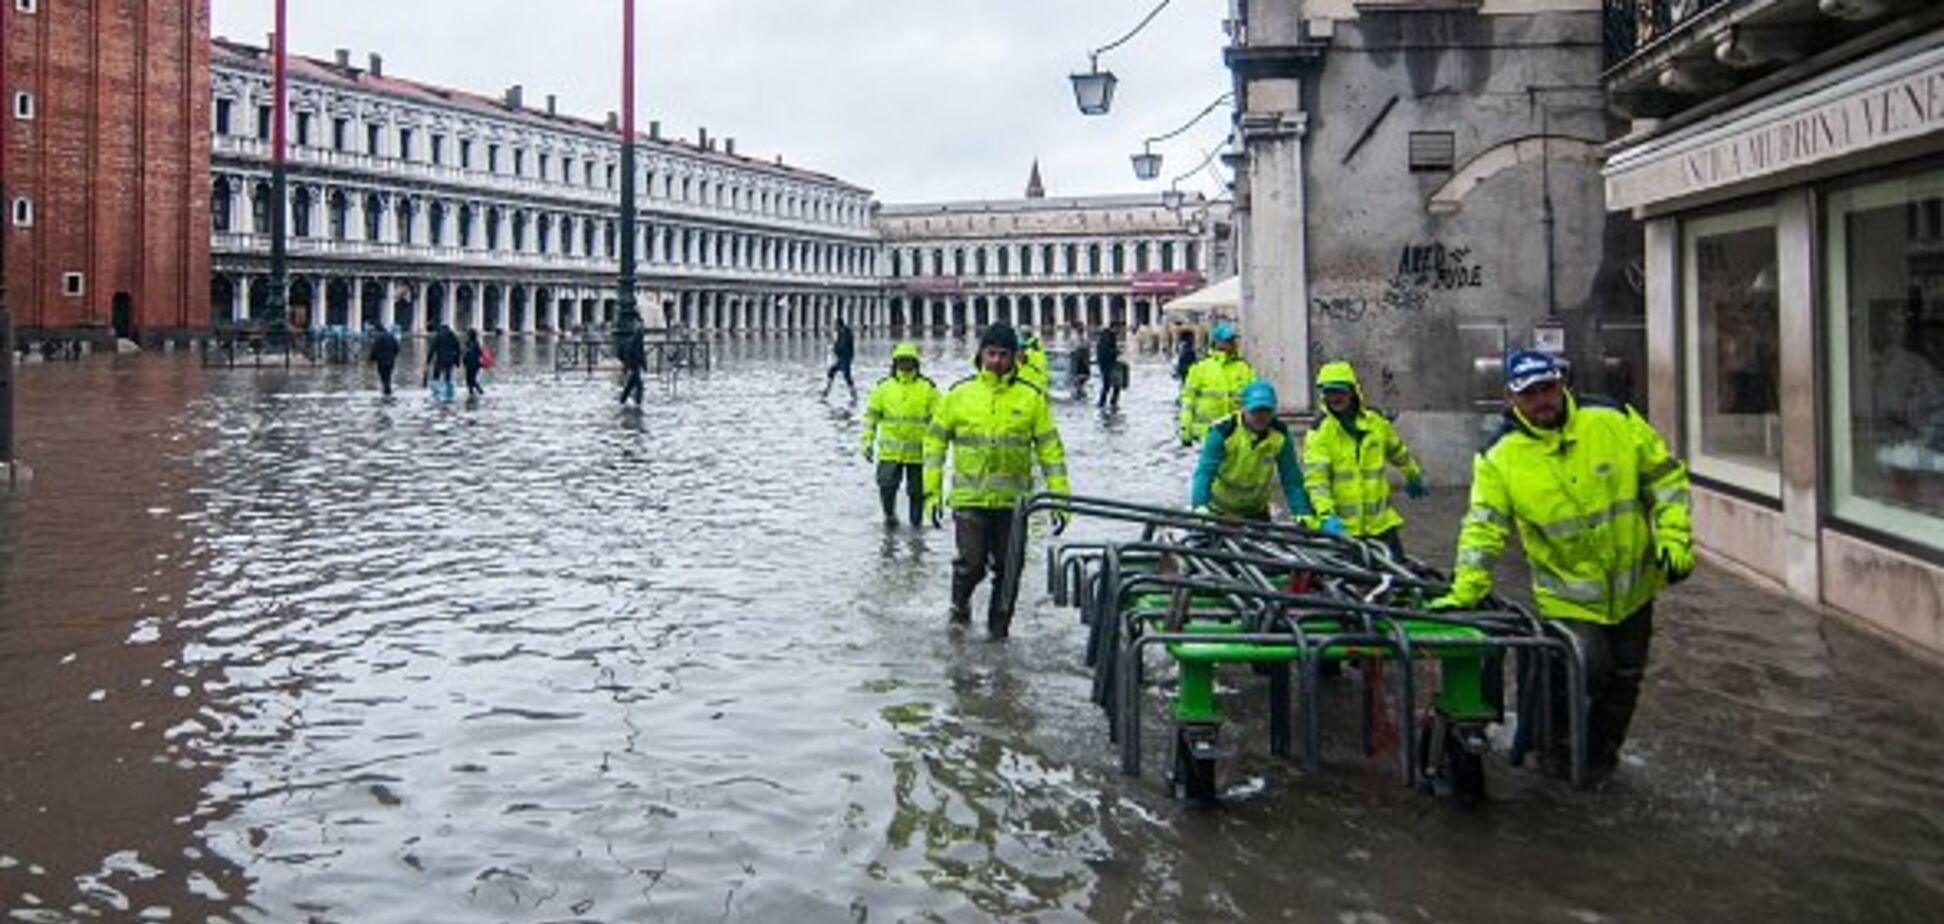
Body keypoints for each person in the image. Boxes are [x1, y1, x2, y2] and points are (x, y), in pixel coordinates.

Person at [1428, 350, 1694, 779]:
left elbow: (1665, 478)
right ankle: (1552, 760)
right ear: (1511, 399)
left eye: (1547, 388)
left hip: (1635, 589)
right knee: (1577, 673)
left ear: (1562, 384)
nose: (1542, 400)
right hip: (1568, 596)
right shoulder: (1500, 456)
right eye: (1529, 394)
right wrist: (1468, 586)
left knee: (1625, 680)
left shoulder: (1613, 420)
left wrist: (1674, 536)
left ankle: (1600, 764)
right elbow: (1484, 526)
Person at [924, 323, 1071, 639]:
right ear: (980, 354)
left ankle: (998, 633)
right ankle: (959, 606)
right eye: (991, 353)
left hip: (1013, 505)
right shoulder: (959, 395)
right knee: (971, 564)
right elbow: (934, 444)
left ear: (1016, 358)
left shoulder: (1031, 399)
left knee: (1009, 571)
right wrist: (930, 493)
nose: (997, 361)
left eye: (1004, 354)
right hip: (969, 500)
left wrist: (1060, 499)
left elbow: (1050, 452)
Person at [1302, 361, 1428, 557]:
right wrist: (1326, 515)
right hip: (1344, 530)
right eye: (1329, 393)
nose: (1335, 398)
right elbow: (1317, 480)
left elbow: (1397, 452)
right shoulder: (1319, 432)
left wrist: (1413, 474)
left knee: (1397, 578)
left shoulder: (1376, 423)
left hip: (1381, 525)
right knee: (1352, 585)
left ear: (1352, 391)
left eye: (1340, 391)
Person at [1190, 381, 1312, 522]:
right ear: (1243, 408)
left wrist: (1301, 512)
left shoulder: (1280, 435)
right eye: (1255, 411)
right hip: (1218, 510)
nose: (1261, 417)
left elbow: (1291, 478)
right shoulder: (1223, 431)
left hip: (1256, 512)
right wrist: (1200, 506)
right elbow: (1205, 472)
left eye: (1266, 411)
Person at [860, 343, 940, 527]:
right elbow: (871, 417)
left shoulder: (928, 389)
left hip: (919, 454)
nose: (905, 364)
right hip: (890, 453)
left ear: (916, 363)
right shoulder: (883, 388)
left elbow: (939, 421)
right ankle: (889, 517)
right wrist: (867, 442)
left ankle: (916, 528)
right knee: (886, 487)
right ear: (894, 363)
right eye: (901, 361)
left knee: (917, 493)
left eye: (909, 361)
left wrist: (937, 448)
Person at [1178, 323, 1256, 445]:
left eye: (1233, 340)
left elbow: (1254, 399)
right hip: (1206, 435)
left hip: (1237, 435)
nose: (1232, 344)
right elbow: (1188, 401)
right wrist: (1185, 429)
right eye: (1228, 341)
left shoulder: (1244, 369)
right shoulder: (1200, 368)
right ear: (1217, 343)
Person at [424, 323, 462, 400]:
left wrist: (428, 362)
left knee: (436, 376)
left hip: (440, 359)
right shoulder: (452, 336)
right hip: (450, 360)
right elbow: (458, 349)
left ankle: (436, 393)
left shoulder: (438, 336)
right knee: (448, 377)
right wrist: (457, 362)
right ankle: (449, 394)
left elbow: (432, 349)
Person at [823, 318, 856, 397]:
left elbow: (842, 345)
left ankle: (853, 392)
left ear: (838, 325)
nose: (834, 326)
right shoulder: (841, 332)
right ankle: (827, 390)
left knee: (846, 375)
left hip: (846, 358)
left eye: (835, 324)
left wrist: (835, 348)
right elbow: (837, 343)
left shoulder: (846, 333)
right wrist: (829, 337)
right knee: (832, 371)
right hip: (841, 358)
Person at [618, 324, 648, 406]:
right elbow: (640, 354)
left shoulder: (635, 340)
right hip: (634, 365)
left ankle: (623, 400)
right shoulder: (636, 341)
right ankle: (637, 402)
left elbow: (641, 354)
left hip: (634, 365)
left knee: (631, 384)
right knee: (638, 385)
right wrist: (644, 365)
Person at [1096, 324, 1124, 409]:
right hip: (1108, 365)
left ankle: (1103, 402)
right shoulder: (1109, 336)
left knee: (1107, 385)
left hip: (1104, 364)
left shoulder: (1105, 336)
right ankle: (1111, 402)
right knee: (1114, 385)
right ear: (1115, 328)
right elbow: (1107, 351)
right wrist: (1116, 352)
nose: (1119, 332)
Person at [369, 325, 400, 396]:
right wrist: (393, 356)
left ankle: (386, 391)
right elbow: (397, 348)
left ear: (377, 330)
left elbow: (374, 349)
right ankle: (388, 390)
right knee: (388, 376)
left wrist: (371, 360)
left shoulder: (378, 338)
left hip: (381, 361)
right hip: (391, 360)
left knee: (383, 376)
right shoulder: (392, 337)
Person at [462, 329, 486, 397]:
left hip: (472, 364)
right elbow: (480, 353)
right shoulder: (474, 343)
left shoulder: (472, 343)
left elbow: (467, 354)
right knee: (470, 379)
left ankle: (480, 391)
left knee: (471, 379)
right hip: (473, 364)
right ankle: (472, 393)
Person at [1069, 333, 1092, 400]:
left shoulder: (1078, 347)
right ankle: (1079, 392)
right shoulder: (1081, 345)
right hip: (1081, 369)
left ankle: (1079, 392)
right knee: (1080, 380)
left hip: (1081, 369)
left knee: (1079, 380)